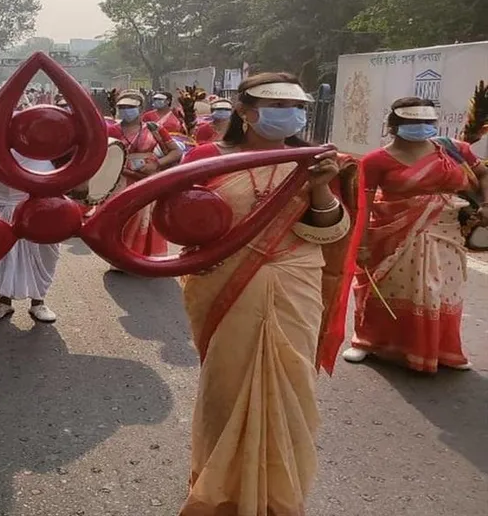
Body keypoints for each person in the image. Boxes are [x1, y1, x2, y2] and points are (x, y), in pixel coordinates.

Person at [178, 73, 356, 515]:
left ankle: (277, 497)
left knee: (290, 388)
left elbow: (329, 232)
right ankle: (218, 493)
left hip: (295, 281)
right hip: (225, 286)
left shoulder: (313, 160)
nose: (288, 115)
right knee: (224, 390)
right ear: (244, 110)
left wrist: (319, 186)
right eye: (275, 106)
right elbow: (179, 220)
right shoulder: (206, 158)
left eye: (295, 107)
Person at [343, 97, 488, 372]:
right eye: (412, 122)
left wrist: (485, 204)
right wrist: (360, 244)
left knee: (442, 290)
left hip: (447, 234)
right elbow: (364, 204)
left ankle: (442, 348)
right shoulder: (376, 160)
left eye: (426, 122)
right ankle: (367, 341)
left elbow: (482, 175)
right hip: (392, 232)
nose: (420, 127)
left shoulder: (456, 150)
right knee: (386, 287)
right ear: (394, 125)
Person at [0, 90, 60, 323]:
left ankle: (39, 302)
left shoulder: (33, 130)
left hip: (40, 203)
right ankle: (3, 302)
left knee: (43, 253)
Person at [107, 90, 184, 258]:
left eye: (130, 106)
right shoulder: (112, 131)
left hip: (147, 179)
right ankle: (120, 257)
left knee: (145, 219)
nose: (126, 110)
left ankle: (142, 256)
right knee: (121, 218)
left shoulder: (154, 128)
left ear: (141, 108)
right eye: (122, 107)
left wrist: (157, 163)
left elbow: (175, 152)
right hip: (120, 179)